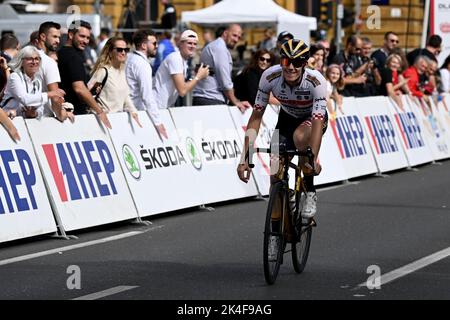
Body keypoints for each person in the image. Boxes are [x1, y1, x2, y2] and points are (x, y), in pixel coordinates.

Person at [237, 39, 328, 219]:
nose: (291, 67)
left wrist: (313, 156)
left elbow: (317, 122)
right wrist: (245, 157)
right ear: (281, 62)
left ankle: (310, 191)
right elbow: (256, 118)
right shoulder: (269, 77)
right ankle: (282, 210)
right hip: (286, 118)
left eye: (298, 62)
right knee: (275, 168)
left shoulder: (316, 81)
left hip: (311, 119)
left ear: (305, 64)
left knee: (300, 138)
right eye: (287, 61)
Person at [58, 20, 111, 128]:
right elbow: (79, 89)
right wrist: (99, 111)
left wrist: (89, 89)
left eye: (88, 37)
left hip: (68, 113)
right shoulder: (73, 56)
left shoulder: (63, 52)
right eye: (82, 36)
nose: (86, 41)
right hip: (74, 116)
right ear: (71, 35)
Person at [192, 24, 251, 112]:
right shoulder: (219, 48)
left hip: (208, 98)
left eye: (239, 37)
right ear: (225, 33)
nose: (236, 40)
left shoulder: (217, 46)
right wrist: (235, 101)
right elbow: (225, 81)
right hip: (210, 100)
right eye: (234, 35)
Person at [88, 37, 140, 126]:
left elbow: (125, 97)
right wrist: (100, 111)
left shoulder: (123, 71)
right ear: (110, 52)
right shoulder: (103, 71)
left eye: (126, 50)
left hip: (118, 121)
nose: (123, 52)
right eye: (119, 50)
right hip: (101, 122)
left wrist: (133, 112)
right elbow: (89, 95)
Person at [1, 46, 65, 120]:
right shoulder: (15, 77)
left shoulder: (37, 82)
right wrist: (50, 94)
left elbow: (41, 108)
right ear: (21, 62)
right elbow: (25, 99)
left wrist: (34, 113)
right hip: (5, 122)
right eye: (29, 59)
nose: (34, 62)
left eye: (37, 59)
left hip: (23, 123)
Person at [126, 30, 168, 138]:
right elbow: (147, 96)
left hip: (127, 112)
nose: (157, 46)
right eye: (154, 43)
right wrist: (158, 122)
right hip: (135, 114)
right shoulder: (142, 64)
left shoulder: (129, 58)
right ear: (144, 45)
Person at [153, 30, 209, 109]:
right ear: (181, 44)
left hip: (162, 106)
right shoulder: (175, 59)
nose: (192, 46)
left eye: (195, 44)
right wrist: (198, 76)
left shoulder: (182, 60)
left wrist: (196, 76)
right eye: (189, 43)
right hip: (157, 107)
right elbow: (182, 91)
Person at [34, 21, 71, 122]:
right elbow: (55, 97)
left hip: (23, 116)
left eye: (58, 37)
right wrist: (62, 115)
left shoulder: (26, 57)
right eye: (54, 37)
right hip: (43, 119)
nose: (58, 41)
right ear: (43, 37)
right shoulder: (49, 62)